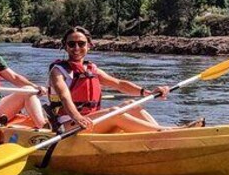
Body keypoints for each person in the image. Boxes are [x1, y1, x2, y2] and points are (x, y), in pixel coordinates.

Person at [48, 26, 202, 133]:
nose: (76, 48)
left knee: (132, 105)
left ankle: (159, 132)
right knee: (116, 112)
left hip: (91, 120)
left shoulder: (91, 69)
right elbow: (64, 97)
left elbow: (120, 84)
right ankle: (167, 132)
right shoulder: (58, 71)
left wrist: (146, 92)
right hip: (69, 124)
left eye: (81, 43)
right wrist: (78, 117)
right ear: (65, 46)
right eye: (71, 44)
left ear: (89, 46)